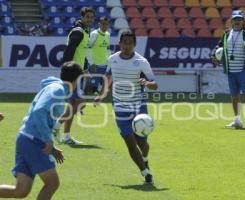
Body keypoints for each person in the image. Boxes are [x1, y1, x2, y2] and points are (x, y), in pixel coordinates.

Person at [0, 61, 83, 200]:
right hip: (32, 141)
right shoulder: (58, 90)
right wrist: (47, 140)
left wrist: (52, 147)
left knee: (21, 190)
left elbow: (44, 118)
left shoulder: (56, 87)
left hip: (26, 138)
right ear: (76, 79)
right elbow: (39, 112)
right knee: (52, 183)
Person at [95, 31, 158, 184]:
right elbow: (108, 77)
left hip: (138, 106)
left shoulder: (142, 61)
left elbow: (155, 84)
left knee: (141, 143)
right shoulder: (113, 59)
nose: (127, 46)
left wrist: (147, 83)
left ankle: (145, 160)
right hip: (120, 106)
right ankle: (146, 173)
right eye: (124, 42)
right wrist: (102, 94)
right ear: (120, 44)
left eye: (130, 43)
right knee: (129, 141)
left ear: (134, 45)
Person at [211, 10, 245, 130]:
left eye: (240, 19)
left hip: (243, 69)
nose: (237, 21)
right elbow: (218, 47)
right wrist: (213, 57)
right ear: (231, 21)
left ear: (243, 21)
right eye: (235, 19)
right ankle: (237, 120)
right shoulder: (226, 34)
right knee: (234, 96)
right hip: (230, 70)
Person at [59, 7, 95, 144]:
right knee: (79, 104)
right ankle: (56, 127)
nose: (90, 19)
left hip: (78, 72)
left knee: (74, 104)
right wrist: (68, 72)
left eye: (92, 17)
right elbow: (68, 53)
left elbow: (81, 54)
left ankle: (65, 135)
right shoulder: (79, 32)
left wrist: (84, 70)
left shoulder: (85, 31)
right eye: (87, 17)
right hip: (73, 74)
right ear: (82, 17)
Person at [86, 16, 110, 94]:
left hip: (104, 64)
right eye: (103, 24)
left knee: (104, 87)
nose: (104, 26)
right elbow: (87, 48)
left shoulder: (107, 34)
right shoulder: (94, 34)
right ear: (99, 24)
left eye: (106, 24)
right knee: (92, 88)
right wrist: (91, 63)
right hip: (95, 64)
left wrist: (108, 61)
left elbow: (107, 49)